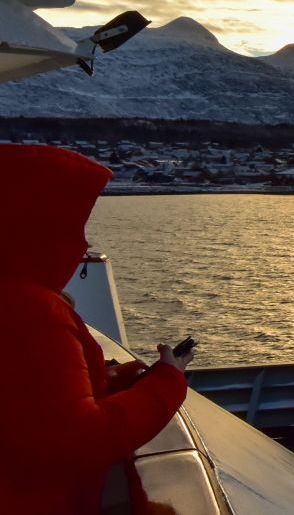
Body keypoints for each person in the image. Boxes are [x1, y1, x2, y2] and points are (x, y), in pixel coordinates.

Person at [0, 144, 195, 513]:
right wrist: (167, 381)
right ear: (36, 228)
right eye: (75, 225)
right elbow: (74, 440)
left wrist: (106, 382)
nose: (83, 243)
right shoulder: (28, 311)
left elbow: (23, 406)